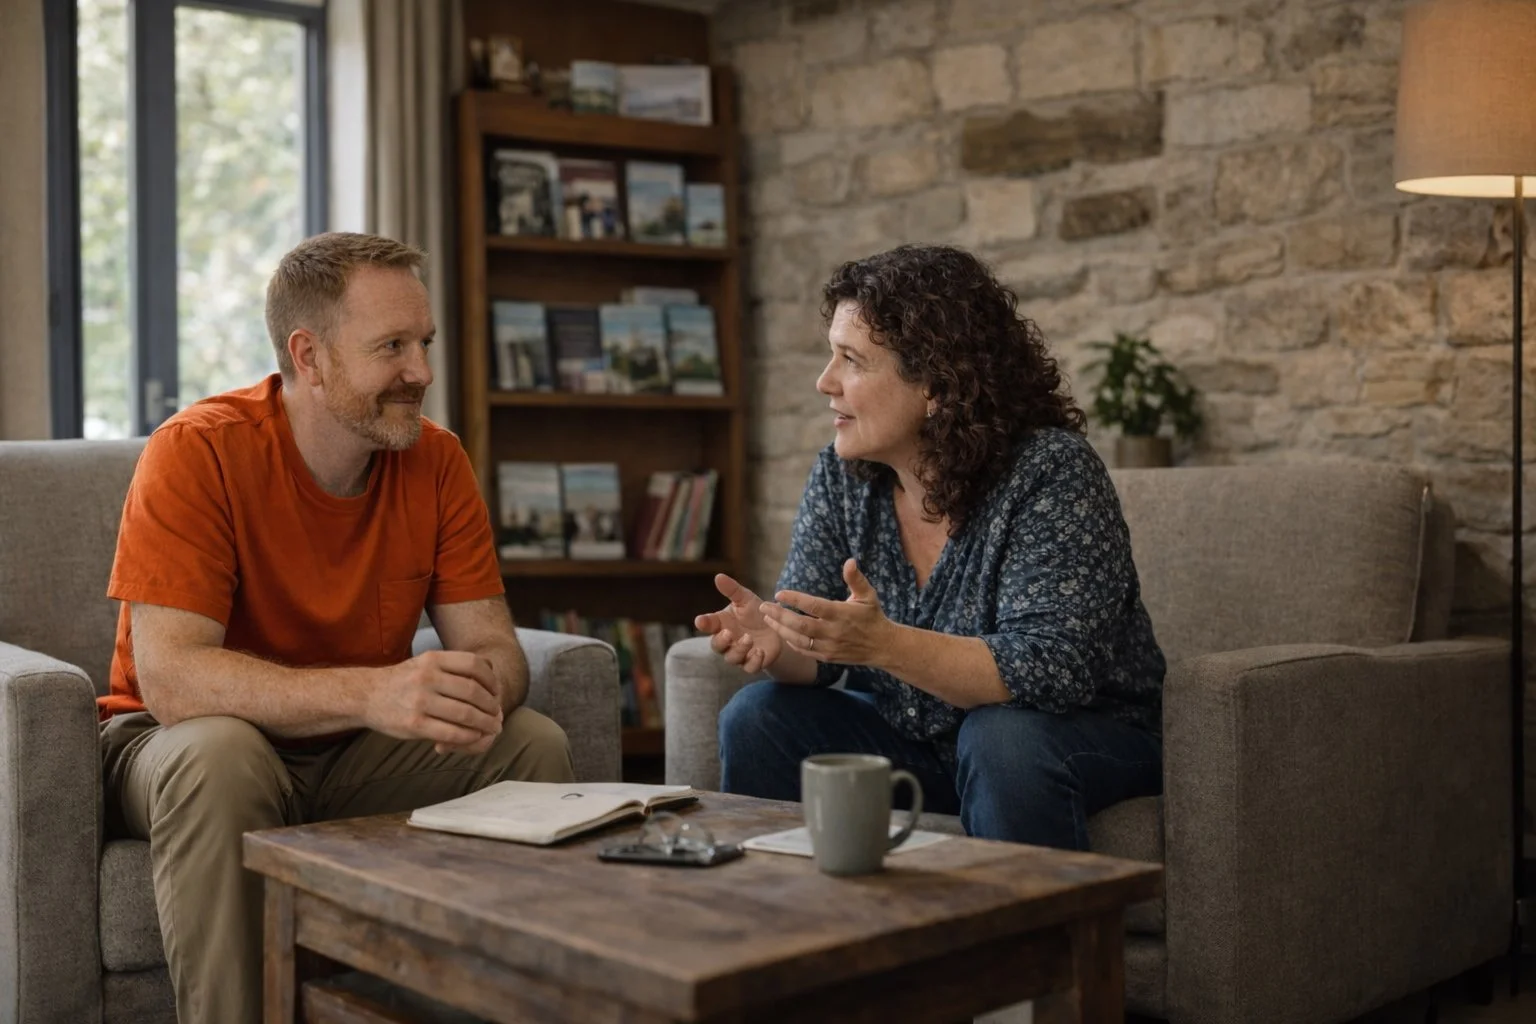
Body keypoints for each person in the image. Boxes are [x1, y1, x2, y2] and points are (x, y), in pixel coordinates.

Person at [98, 232, 575, 1024]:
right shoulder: (195, 452)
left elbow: (494, 649)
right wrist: (374, 694)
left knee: (530, 741)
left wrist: (465, 687)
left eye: (423, 343)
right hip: (169, 744)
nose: (420, 372)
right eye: (392, 347)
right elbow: (175, 681)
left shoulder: (438, 461)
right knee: (225, 752)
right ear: (309, 355)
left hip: (349, 752)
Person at [696, 244, 1165, 850]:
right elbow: (824, 650)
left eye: (851, 361)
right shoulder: (843, 479)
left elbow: (1054, 671)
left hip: (1078, 736)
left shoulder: (1051, 473)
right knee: (759, 717)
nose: (824, 381)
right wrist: (780, 641)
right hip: (922, 740)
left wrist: (886, 645)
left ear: (937, 386)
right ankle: (797, 934)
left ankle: (1032, 944)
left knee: (1002, 737)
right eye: (829, 356)